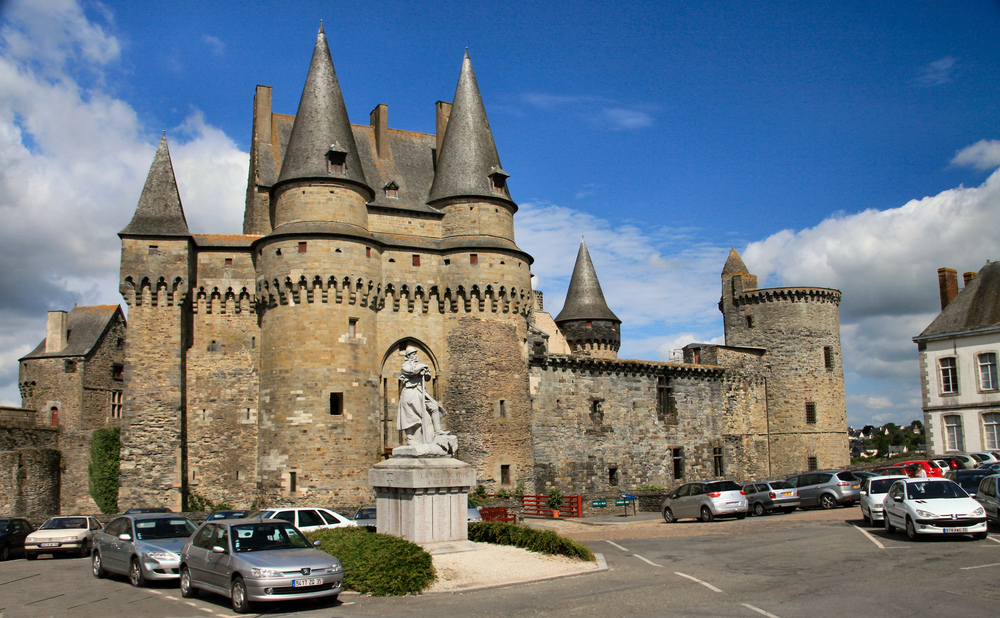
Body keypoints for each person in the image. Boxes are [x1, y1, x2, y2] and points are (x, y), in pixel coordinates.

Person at [396, 346, 447, 445]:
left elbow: (427, 378)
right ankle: (410, 438)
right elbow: (412, 371)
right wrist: (423, 367)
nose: (415, 356)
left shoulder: (418, 365)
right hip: (410, 392)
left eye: (415, 354)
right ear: (408, 356)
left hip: (420, 391)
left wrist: (426, 373)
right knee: (411, 416)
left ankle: (438, 431)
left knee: (434, 407)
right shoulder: (405, 366)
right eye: (413, 354)